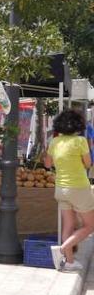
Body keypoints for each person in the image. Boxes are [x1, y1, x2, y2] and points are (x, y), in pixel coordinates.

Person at [45, 109, 94, 272]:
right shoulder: (80, 141)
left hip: (61, 188)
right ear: (77, 125)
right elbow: (88, 164)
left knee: (68, 225)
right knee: (90, 226)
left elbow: (47, 164)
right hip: (79, 187)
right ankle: (62, 249)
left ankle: (70, 262)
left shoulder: (55, 142)